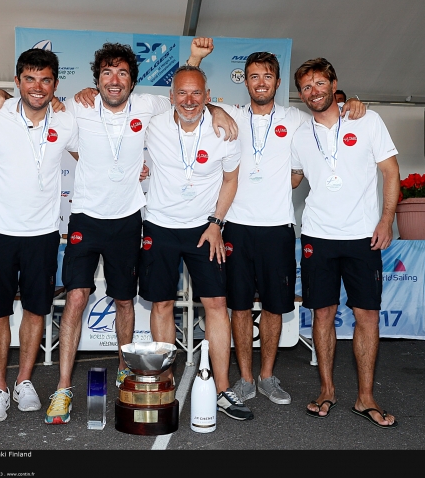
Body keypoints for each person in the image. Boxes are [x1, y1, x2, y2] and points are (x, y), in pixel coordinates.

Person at [0, 38, 237, 425]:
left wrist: (216, 108)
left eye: (122, 74)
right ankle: (63, 386)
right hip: (83, 216)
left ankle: (124, 371)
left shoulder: (151, 106)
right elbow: (32, 100)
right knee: (77, 298)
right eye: (106, 73)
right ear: (95, 79)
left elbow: (190, 97)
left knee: (124, 301)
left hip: (129, 218)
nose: (114, 80)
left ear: (134, 81)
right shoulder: (73, 109)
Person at [189, 49, 365, 407]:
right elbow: (189, 101)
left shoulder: (296, 118)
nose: (261, 82)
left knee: (273, 306)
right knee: (238, 306)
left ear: (278, 82)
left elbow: (332, 111)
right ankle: (246, 379)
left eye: (267, 76)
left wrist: (355, 103)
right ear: (245, 82)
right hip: (235, 227)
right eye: (253, 76)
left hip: (278, 228)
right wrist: (212, 98)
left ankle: (267, 376)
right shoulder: (230, 114)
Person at [290, 57, 399, 428]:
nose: (313, 91)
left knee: (367, 315)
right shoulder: (299, 135)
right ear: (300, 93)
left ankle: (365, 397)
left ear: (334, 85)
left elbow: (391, 172)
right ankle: (326, 389)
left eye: (320, 83)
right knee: (322, 313)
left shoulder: (366, 120)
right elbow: (290, 179)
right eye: (306, 86)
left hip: (363, 236)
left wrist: (386, 220)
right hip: (317, 236)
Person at [141, 65, 253, 421]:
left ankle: (222, 390)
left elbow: (231, 180)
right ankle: (162, 384)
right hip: (159, 225)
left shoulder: (225, 131)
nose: (189, 101)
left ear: (208, 97)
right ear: (171, 96)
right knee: (160, 305)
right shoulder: (153, 123)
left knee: (217, 305)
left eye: (197, 94)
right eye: (181, 94)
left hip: (205, 229)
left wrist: (217, 223)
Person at [0, 48, 78, 423]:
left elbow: (98, 156)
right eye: (30, 79)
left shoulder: (67, 121)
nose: (38, 87)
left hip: (44, 233)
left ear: (55, 84)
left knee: (37, 309)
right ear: (17, 81)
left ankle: (24, 382)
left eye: (46, 79)